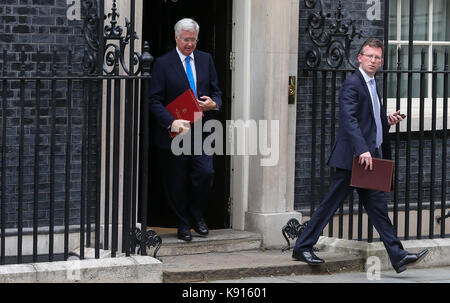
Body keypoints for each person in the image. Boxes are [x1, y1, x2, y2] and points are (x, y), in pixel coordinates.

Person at [292, 38, 428, 273]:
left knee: (378, 208)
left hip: (368, 159)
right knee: (330, 204)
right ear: (360, 57)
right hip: (353, 158)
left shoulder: (372, 84)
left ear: (381, 61)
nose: (374, 61)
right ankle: (302, 246)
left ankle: (398, 255)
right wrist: (362, 149)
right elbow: (349, 119)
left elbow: (368, 120)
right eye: (370, 56)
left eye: (377, 57)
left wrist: (386, 121)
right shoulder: (353, 84)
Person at [148, 18, 222, 241]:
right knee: (177, 180)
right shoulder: (162, 63)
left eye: (193, 40)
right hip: (175, 132)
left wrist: (214, 103)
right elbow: (154, 100)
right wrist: (171, 122)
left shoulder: (205, 59)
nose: (190, 44)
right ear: (176, 38)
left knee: (205, 173)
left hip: (201, 129)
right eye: (186, 39)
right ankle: (183, 223)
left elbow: (217, 92)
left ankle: (196, 215)